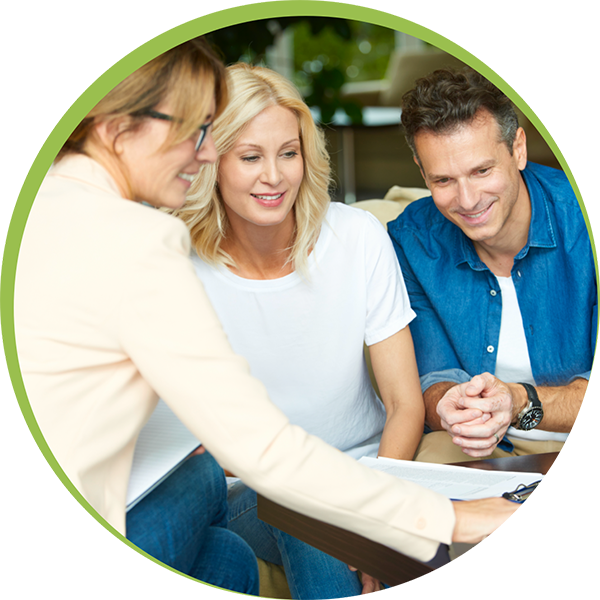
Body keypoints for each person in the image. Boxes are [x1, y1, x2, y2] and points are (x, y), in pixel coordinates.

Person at [13, 39, 518, 598]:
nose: (201, 154)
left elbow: (394, 407)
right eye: (197, 135)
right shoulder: (150, 244)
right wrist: (430, 520)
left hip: (226, 484)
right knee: (299, 507)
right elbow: (259, 450)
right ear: (116, 131)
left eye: (287, 152)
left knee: (224, 559)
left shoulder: (42, 207)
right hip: (215, 491)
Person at [173, 62, 424, 599]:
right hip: (251, 494)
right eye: (250, 157)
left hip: (366, 474)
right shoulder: (179, 270)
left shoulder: (357, 237)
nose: (274, 176)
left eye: (288, 152)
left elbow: (405, 404)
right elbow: (195, 446)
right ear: (211, 163)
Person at [388, 67, 596, 464]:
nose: (467, 200)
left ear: (518, 148)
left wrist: (520, 401)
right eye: (444, 180)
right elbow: (432, 377)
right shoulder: (411, 240)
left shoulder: (584, 222)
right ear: (421, 171)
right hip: (471, 443)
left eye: (482, 171)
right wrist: (449, 406)